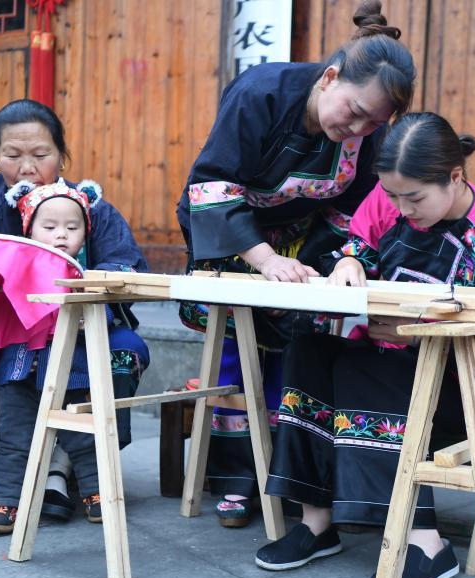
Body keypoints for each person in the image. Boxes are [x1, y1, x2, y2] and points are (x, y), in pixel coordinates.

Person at [255, 112, 475, 578]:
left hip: (472, 392)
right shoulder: (387, 204)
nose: (402, 210)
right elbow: (359, 247)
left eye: (415, 198)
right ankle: (316, 520)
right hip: (388, 368)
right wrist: (348, 262)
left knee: (370, 366)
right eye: (392, 196)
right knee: (308, 348)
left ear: (455, 176)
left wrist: (416, 336)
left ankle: (424, 541)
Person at [175, 0, 416, 528]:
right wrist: (264, 259)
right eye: (354, 111)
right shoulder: (260, 92)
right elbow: (213, 185)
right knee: (238, 341)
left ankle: (284, 475)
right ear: (329, 78)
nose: (359, 129)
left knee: (301, 336)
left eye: (373, 123)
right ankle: (236, 478)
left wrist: (337, 262)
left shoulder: (366, 133)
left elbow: (353, 209)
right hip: (233, 231)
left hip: (306, 238)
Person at [0, 99, 149, 532]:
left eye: (41, 154)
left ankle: (61, 468)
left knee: (124, 349)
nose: (27, 168)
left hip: (75, 327)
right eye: (12, 155)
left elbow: (126, 267)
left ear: (61, 155)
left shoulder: (88, 207)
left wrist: (89, 289)